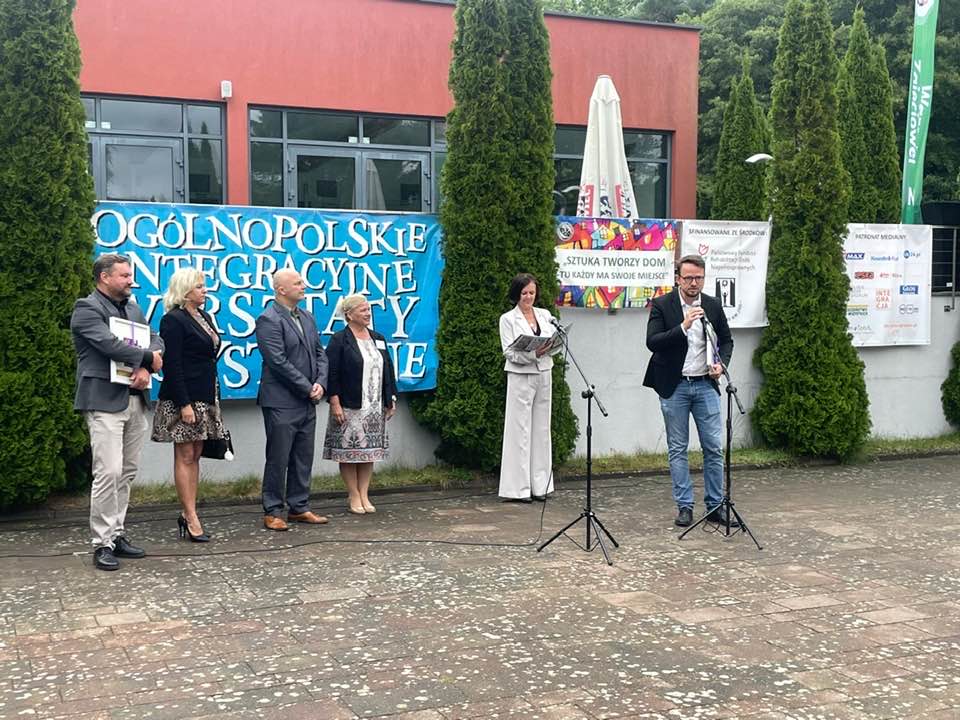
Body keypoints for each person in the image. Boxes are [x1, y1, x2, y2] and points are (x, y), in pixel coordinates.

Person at [71, 253, 164, 571]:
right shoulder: (86, 309)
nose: (130, 281)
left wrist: (149, 364)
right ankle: (102, 543)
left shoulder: (134, 308)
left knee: (126, 471)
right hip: (104, 401)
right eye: (124, 275)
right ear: (104, 277)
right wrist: (147, 359)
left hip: (135, 399)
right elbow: (109, 345)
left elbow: (155, 338)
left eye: (130, 275)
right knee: (108, 472)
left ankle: (117, 533)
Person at [643, 254, 735, 528]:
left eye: (699, 278)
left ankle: (715, 506)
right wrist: (683, 326)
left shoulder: (712, 305)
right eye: (689, 278)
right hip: (676, 385)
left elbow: (727, 341)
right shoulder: (663, 305)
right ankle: (685, 507)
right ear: (678, 279)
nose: (694, 283)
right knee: (678, 448)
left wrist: (721, 364)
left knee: (713, 448)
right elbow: (652, 342)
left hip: (705, 383)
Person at [151, 268, 225, 543]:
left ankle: (189, 511)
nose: (205, 290)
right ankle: (191, 516)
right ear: (185, 290)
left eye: (204, 286)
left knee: (195, 454)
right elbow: (172, 364)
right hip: (182, 399)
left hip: (205, 395)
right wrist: (184, 404)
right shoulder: (173, 320)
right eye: (199, 286)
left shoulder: (204, 316)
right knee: (184, 455)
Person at [256, 269, 329, 531]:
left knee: (303, 455)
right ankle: (273, 510)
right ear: (281, 289)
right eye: (297, 283)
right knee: (279, 456)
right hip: (281, 400)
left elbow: (320, 353)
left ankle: (299, 506)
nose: (303, 285)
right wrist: (307, 387)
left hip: (307, 400)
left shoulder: (307, 316)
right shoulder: (268, 319)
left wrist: (320, 383)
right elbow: (277, 361)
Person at [323, 294, 397, 514]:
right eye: (363, 309)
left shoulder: (378, 338)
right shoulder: (339, 339)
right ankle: (353, 495)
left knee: (369, 453)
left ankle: (364, 494)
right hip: (349, 406)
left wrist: (391, 398)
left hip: (374, 408)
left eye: (368, 309)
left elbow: (388, 368)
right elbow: (331, 373)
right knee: (349, 454)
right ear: (349, 314)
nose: (368, 313)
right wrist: (334, 402)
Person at [498, 273, 557, 503]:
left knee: (542, 430)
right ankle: (519, 489)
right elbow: (509, 352)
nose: (529, 297)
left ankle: (541, 485)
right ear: (517, 294)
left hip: (544, 373)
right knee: (520, 431)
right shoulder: (507, 319)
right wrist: (533, 354)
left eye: (532, 292)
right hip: (521, 376)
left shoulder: (545, 315)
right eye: (524, 293)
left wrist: (550, 347)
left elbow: (554, 343)